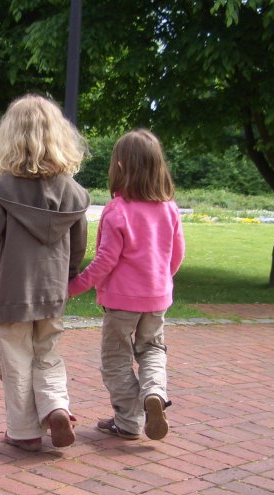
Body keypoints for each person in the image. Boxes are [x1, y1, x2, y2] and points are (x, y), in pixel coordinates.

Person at [0, 94, 90, 452]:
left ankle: (24, 432)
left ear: (9, 138)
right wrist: (67, 280)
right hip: (53, 293)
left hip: (13, 294)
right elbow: (79, 246)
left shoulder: (0, 191)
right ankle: (56, 405)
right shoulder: (73, 193)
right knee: (48, 353)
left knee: (16, 359)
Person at [68, 129, 185, 441]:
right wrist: (161, 281)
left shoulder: (117, 211)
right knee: (152, 349)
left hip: (121, 302)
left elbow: (106, 261)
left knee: (116, 359)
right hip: (157, 299)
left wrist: (74, 287)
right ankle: (155, 395)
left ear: (119, 167)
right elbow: (177, 254)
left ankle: (129, 421)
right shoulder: (169, 208)